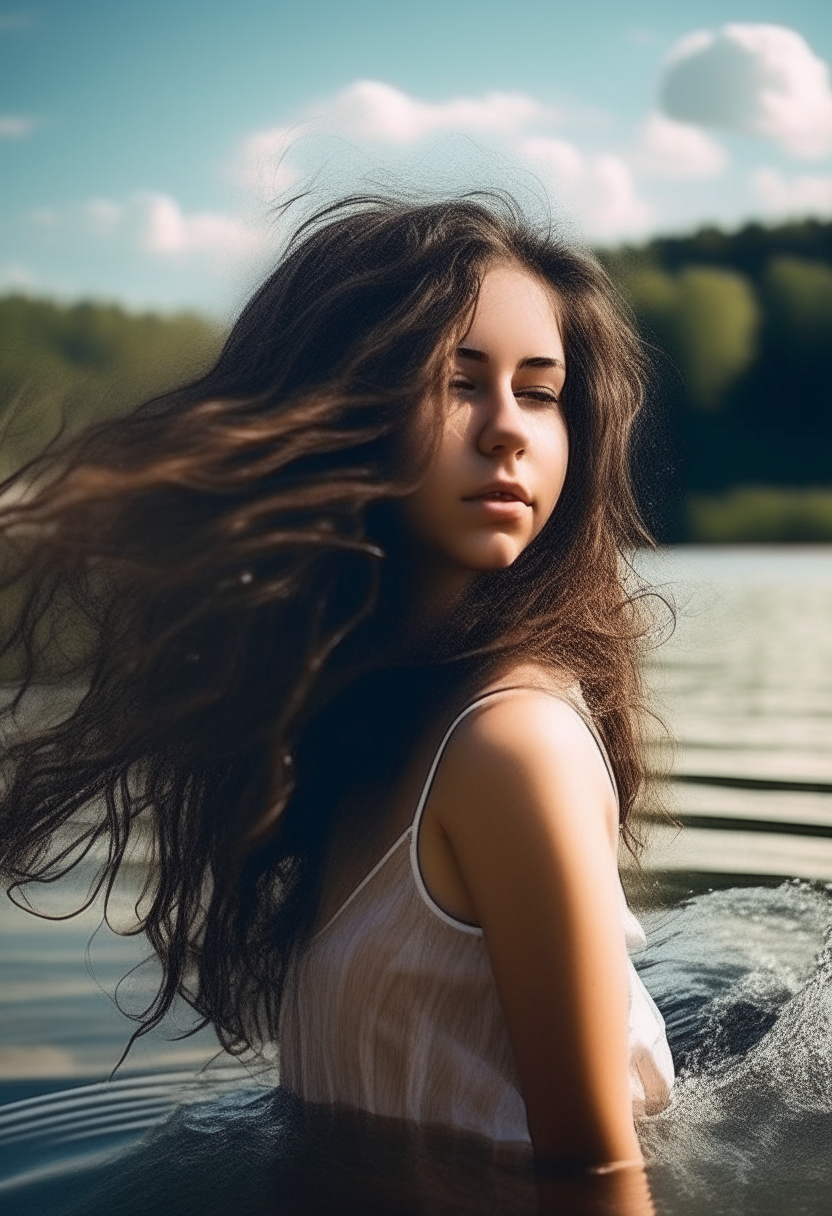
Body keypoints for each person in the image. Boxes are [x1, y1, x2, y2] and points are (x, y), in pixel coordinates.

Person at [0, 195, 673, 1213]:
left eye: (540, 394)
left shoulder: (511, 744)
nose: (506, 430)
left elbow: (595, 1169)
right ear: (345, 404)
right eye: (457, 382)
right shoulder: (354, 730)